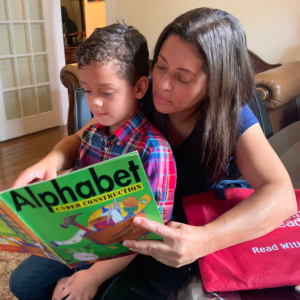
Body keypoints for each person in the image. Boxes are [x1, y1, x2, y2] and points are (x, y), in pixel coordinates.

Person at [10, 7, 296, 300]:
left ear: (216, 83)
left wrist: (205, 240)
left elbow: (280, 195)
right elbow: (83, 137)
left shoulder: (232, 117)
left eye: (183, 78)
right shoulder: (140, 92)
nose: (163, 85)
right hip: (118, 216)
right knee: (24, 283)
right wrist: (50, 161)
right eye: (160, 66)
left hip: (176, 226)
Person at [9, 24, 176, 300]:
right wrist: (49, 163)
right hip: (79, 239)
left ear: (139, 87)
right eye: (87, 90)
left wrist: (92, 276)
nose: (94, 103)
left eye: (106, 92)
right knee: (21, 284)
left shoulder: (154, 151)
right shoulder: (96, 128)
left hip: (120, 252)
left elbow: (149, 235)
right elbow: (72, 143)